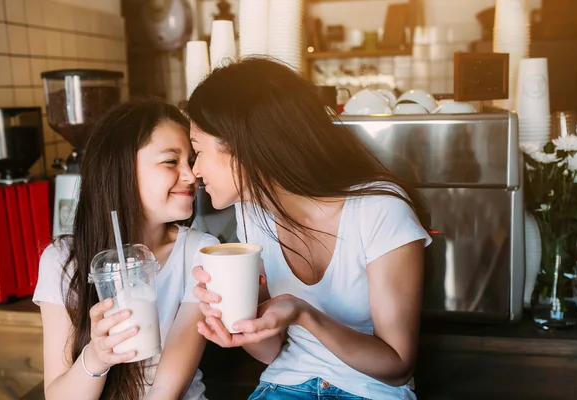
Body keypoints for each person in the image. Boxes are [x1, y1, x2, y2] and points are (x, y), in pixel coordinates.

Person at [185, 57, 432, 400]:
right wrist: (238, 316)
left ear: (244, 149)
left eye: (197, 151)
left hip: (370, 391)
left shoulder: (381, 210)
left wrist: (304, 315)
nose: (194, 170)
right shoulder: (251, 213)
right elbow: (270, 353)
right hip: (283, 386)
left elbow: (397, 367)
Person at [33, 98, 219, 400]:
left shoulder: (201, 253)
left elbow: (166, 391)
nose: (191, 174)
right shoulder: (62, 261)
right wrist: (97, 356)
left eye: (192, 159)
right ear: (121, 169)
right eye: (171, 161)